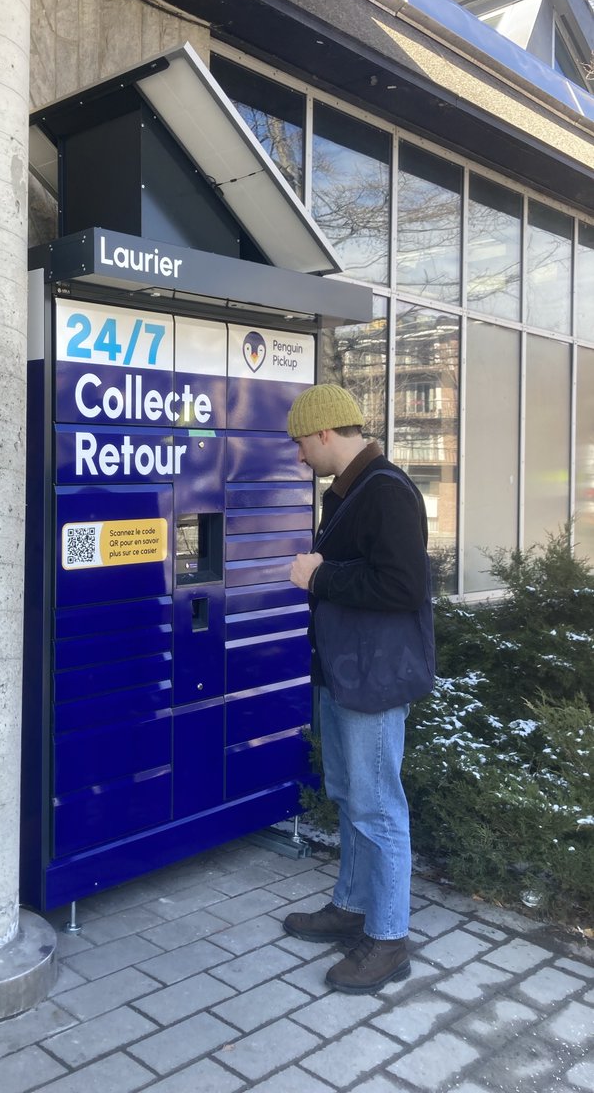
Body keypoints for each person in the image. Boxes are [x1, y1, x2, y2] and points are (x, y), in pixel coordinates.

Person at [283, 383, 434, 995]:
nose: (298, 458)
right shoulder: (348, 492)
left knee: (378, 806)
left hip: (373, 678)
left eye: (300, 444)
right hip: (346, 671)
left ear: (324, 433)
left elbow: (401, 587)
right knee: (349, 794)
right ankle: (350, 905)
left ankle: (389, 938)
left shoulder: (388, 492)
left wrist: (321, 576)